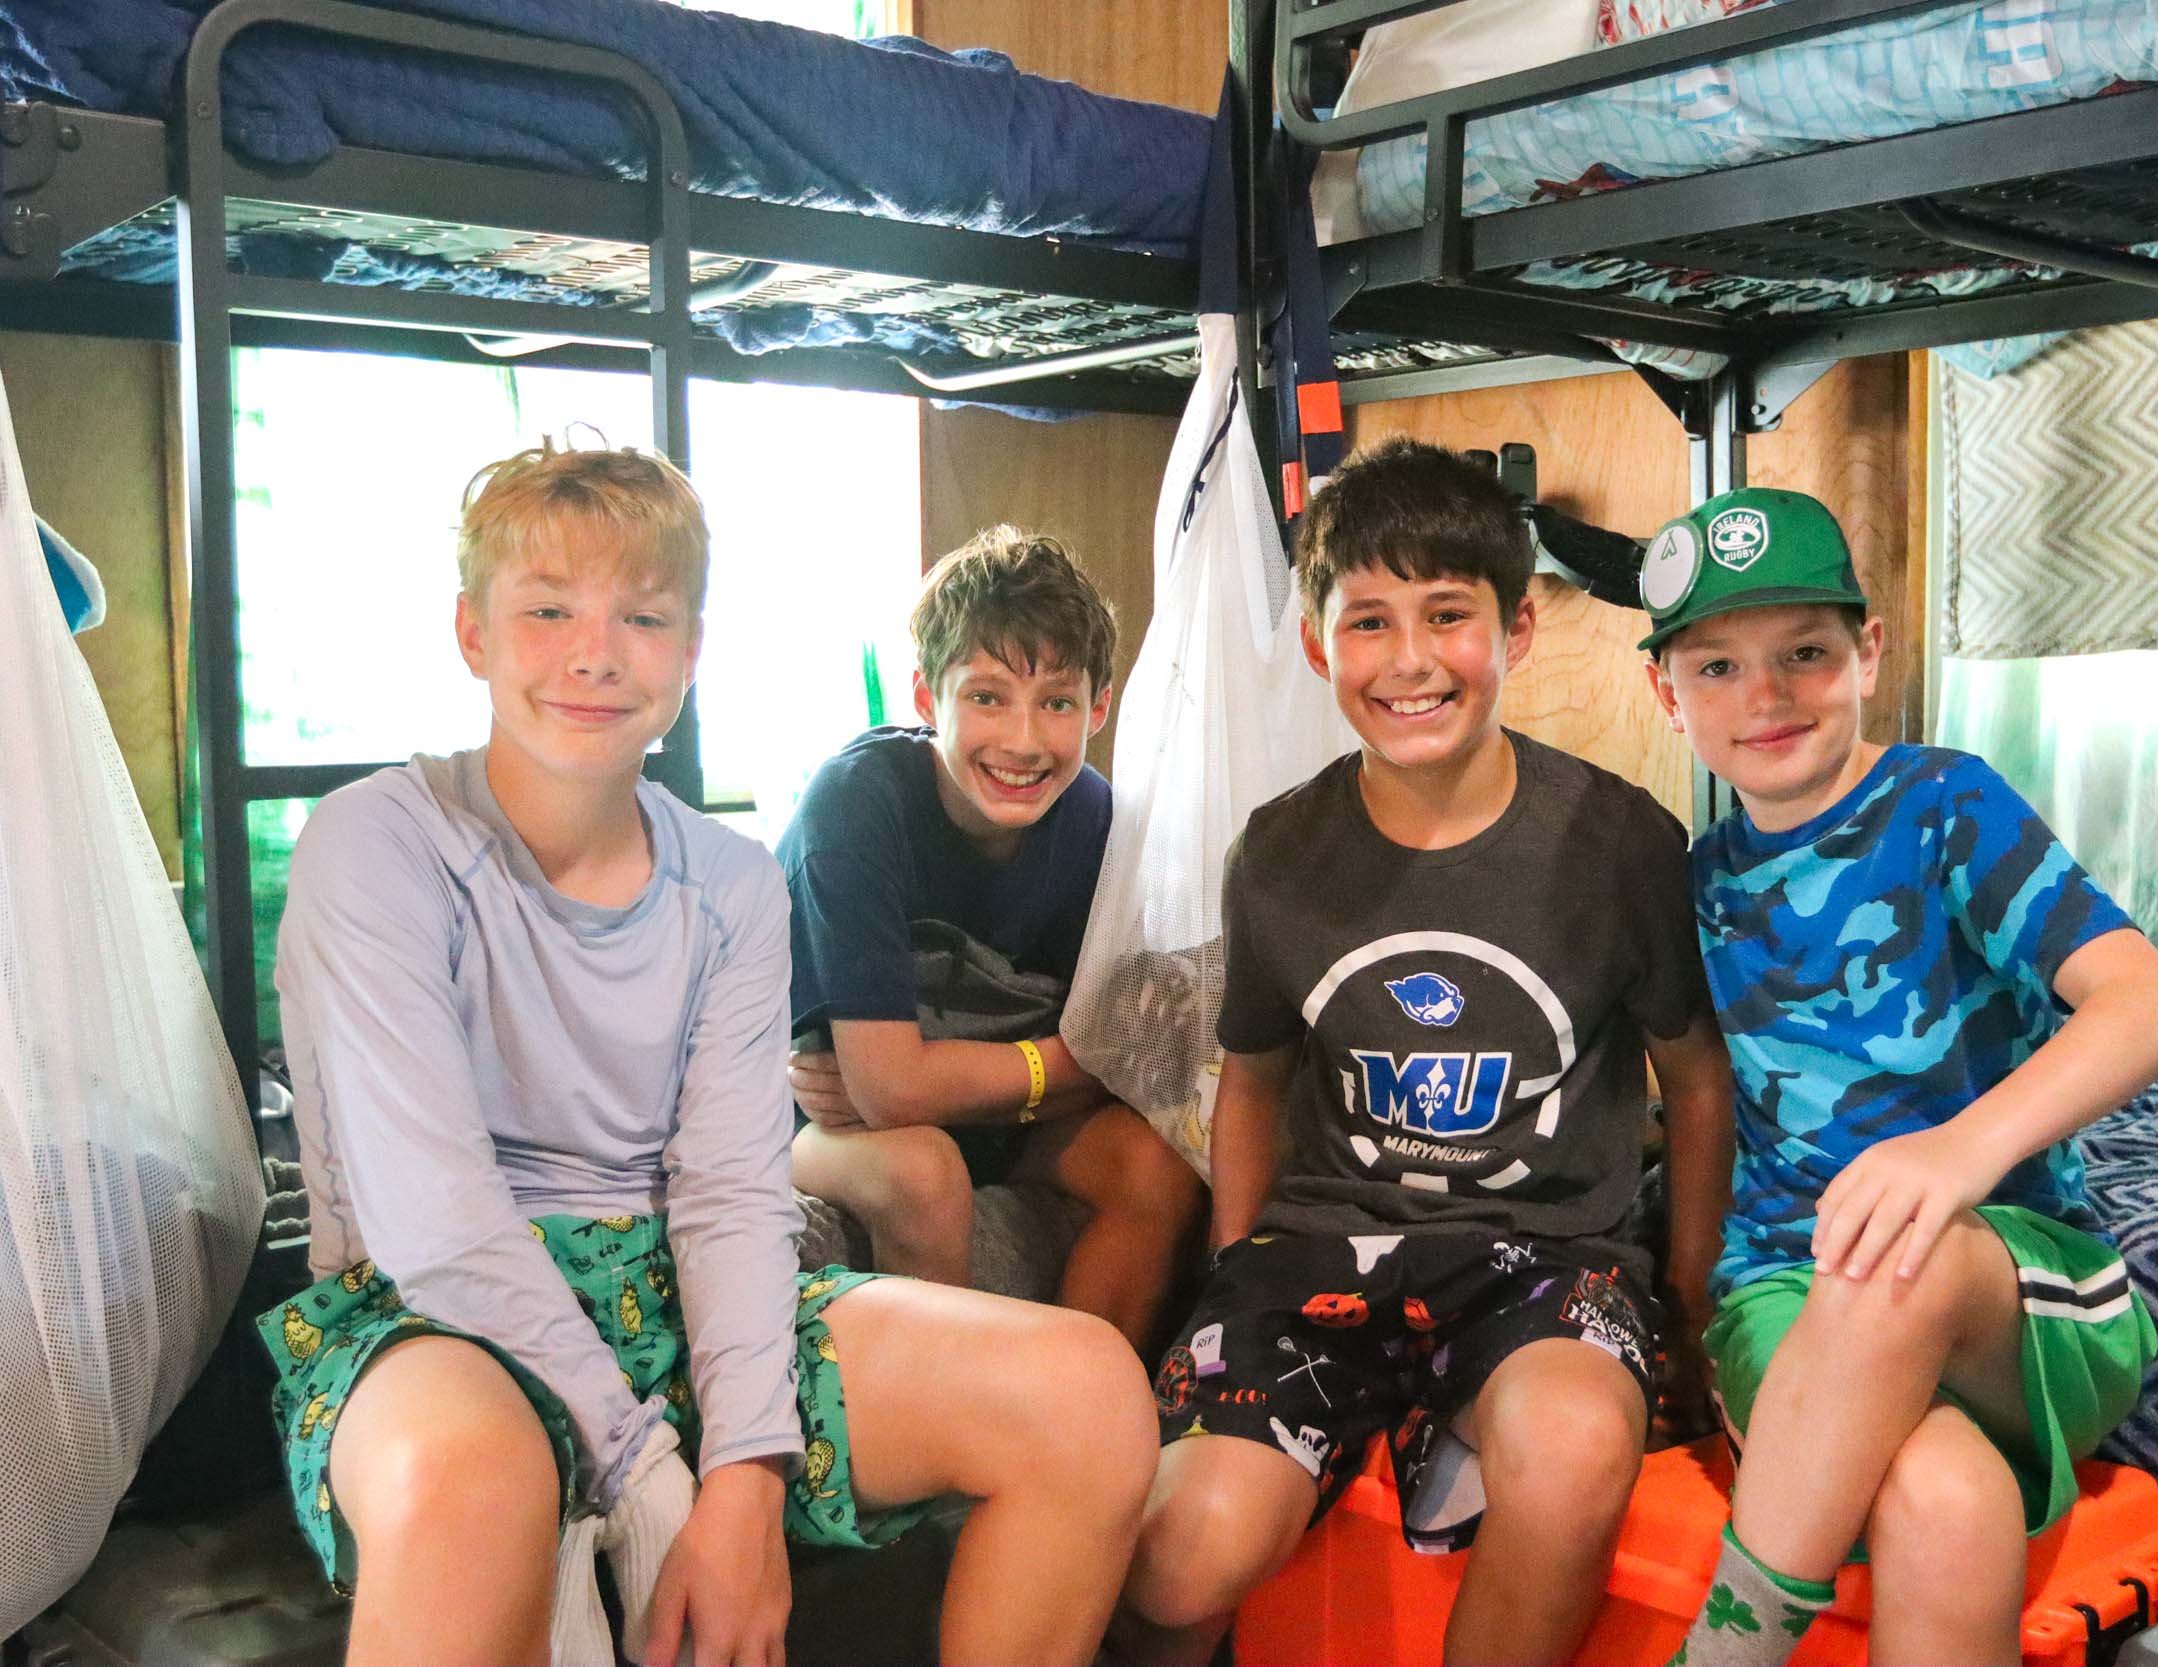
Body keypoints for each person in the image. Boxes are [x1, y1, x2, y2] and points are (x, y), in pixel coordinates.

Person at [263, 444, 1154, 1667]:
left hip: (672, 1296)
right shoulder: (374, 843)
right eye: (546, 611)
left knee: (1091, 1392)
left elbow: (731, 1197)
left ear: (688, 650)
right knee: (471, 1485)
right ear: (472, 631)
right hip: (431, 1319)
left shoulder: (729, 883)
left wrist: (740, 1471)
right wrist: (645, 1476)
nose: (594, 652)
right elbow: (439, 1222)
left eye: (641, 616)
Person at [1117, 439, 1732, 1667]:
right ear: (1315, 646)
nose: (1408, 660)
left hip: (1548, 1262)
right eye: (1368, 622)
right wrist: (1238, 1264)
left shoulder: (1621, 842)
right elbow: (1251, 1079)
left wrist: (1690, 1295)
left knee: (1569, 1458)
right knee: (1185, 1550)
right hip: (1318, 1251)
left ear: (1517, 628)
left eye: (1447, 616)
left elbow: (1698, 1080)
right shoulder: (1281, 853)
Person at [1638, 487, 2158, 1665]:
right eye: (1718, 667)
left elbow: (2153, 1004)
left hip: (2009, 1285)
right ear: (1666, 694)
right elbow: (1695, 1092)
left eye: (1804, 652)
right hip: (1783, 1295)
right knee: (1943, 1494)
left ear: (1868, 649)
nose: (1767, 693)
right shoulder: (1692, 881)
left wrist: (1958, 1152)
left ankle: (1724, 1651)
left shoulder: (1942, 803)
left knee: (1902, 1253)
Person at [778, 527, 1204, 1349]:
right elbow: (889, 1095)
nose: (1023, 740)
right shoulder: (855, 807)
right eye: (987, 697)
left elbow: (1138, 1057)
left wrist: (1054, 1069)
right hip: (805, 1127)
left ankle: (1077, 1404)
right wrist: (1065, 1062)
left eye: (1057, 702)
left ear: (1099, 708)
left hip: (998, 1120)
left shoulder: (1096, 821)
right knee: (924, 1169)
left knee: (1158, 1162)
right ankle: (953, 1434)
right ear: (928, 698)